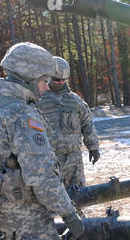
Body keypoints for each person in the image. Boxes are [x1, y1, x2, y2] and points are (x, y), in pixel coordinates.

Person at [0, 42, 84, 240]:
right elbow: (41, 177)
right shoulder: (21, 114)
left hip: (9, 215)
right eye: (44, 80)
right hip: (31, 219)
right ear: (28, 78)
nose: (47, 87)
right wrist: (69, 214)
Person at [36, 57, 100, 190]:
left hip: (73, 159)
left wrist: (93, 147)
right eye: (56, 79)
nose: (60, 83)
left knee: (79, 195)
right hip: (49, 160)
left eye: (63, 80)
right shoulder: (38, 100)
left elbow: (87, 123)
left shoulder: (75, 101)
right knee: (54, 198)